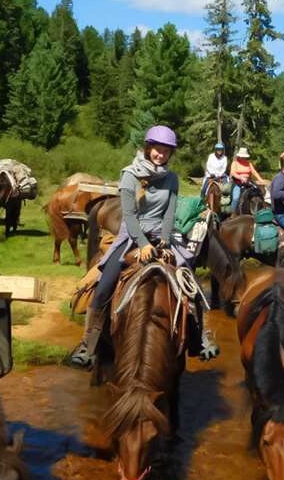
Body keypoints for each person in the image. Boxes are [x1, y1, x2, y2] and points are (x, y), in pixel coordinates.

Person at [69, 125, 218, 369]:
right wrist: (142, 244)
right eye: (157, 149)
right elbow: (128, 215)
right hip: (132, 234)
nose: (161, 154)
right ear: (149, 148)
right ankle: (88, 344)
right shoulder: (130, 174)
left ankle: (198, 338)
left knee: (190, 280)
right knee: (106, 280)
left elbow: (169, 212)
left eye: (166, 151)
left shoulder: (171, 178)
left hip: (163, 233)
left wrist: (166, 241)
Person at [229, 147, 264, 213]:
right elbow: (233, 173)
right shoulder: (235, 163)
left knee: (259, 193)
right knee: (235, 199)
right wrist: (240, 177)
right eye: (242, 156)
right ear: (239, 156)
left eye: (244, 157)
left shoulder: (249, 164)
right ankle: (233, 213)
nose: (243, 158)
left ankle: (260, 209)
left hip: (248, 182)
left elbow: (254, 172)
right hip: (238, 183)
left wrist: (261, 180)